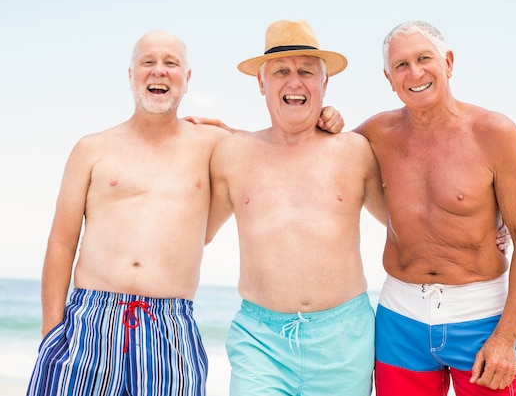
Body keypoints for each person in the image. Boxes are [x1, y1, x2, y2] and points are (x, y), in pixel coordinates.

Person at [26, 29, 342, 396]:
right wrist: (52, 330)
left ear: (187, 79)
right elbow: (62, 242)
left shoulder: (212, 144)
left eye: (171, 64)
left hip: (170, 324)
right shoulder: (92, 148)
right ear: (131, 74)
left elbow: (279, 146)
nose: (159, 71)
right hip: (89, 320)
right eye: (148, 62)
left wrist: (324, 118)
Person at [354, 20, 516, 396]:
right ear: (389, 78)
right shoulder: (376, 134)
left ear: (449, 63)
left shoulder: (494, 133)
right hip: (399, 319)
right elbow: (317, 155)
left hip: (480, 318)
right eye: (402, 65)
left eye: (424, 58)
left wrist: (505, 337)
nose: (415, 72)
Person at [205, 19, 387, 396]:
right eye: (281, 71)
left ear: (325, 83)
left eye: (307, 71)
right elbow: (195, 233)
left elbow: (408, 225)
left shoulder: (354, 150)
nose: (294, 81)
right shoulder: (231, 153)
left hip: (345, 342)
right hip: (261, 342)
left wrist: (486, 226)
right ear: (261, 82)